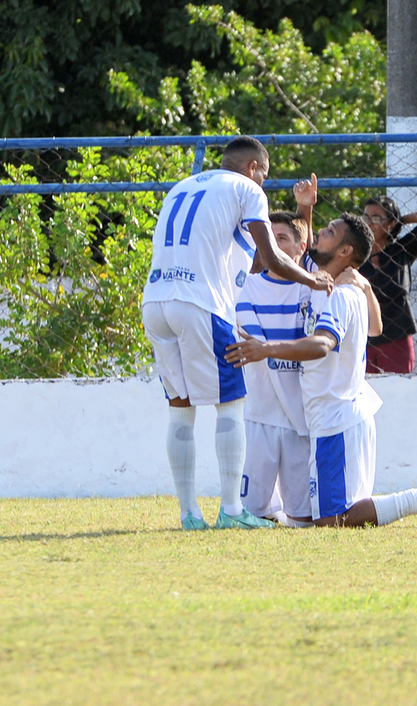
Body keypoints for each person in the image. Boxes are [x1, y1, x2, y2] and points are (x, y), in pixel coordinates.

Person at [225, 213, 417, 528]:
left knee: (333, 518)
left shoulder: (341, 295)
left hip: (337, 419)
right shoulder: (326, 286)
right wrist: (365, 288)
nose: (320, 233)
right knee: (316, 519)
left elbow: (322, 344)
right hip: (331, 418)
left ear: (344, 251)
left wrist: (266, 349)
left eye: (330, 231)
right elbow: (376, 328)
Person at [141, 135, 332, 531]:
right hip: (200, 303)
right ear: (252, 168)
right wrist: (311, 279)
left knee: (180, 407)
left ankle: (189, 514)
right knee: (231, 403)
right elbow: (273, 257)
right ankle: (231, 510)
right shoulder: (247, 189)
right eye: (264, 175)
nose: (263, 183)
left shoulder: (182, 187)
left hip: (155, 301)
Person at [234, 210, 315, 525]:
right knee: (250, 513)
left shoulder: (311, 290)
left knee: (303, 519)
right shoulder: (247, 287)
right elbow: (253, 346)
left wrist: (306, 207)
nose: (273, 246)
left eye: (282, 238)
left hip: (301, 418)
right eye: (269, 239)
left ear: (300, 247)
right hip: (260, 414)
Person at [359, 196, 417, 373]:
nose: (369, 223)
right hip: (362, 340)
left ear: (390, 223)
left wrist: (400, 221)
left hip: (397, 339)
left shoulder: (401, 250)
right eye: (366, 217)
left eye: (376, 218)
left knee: (398, 387)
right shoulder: (355, 255)